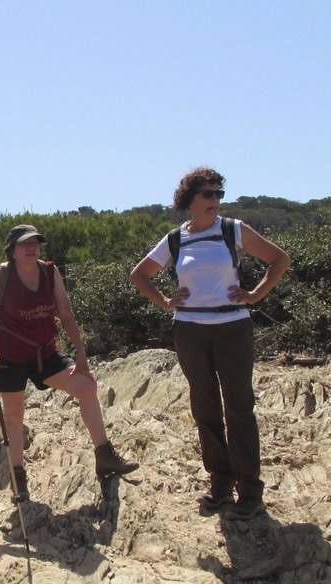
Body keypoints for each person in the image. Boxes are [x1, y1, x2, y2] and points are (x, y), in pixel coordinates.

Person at [130, 168, 291, 520]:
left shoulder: (233, 230)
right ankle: (220, 482)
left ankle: (250, 491)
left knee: (239, 408)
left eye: (219, 193)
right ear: (189, 200)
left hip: (232, 326)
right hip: (189, 329)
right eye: (208, 194)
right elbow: (139, 274)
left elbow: (279, 260)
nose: (215, 200)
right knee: (204, 406)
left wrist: (254, 294)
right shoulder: (176, 239)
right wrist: (165, 301)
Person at [0, 224, 139, 502]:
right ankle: (18, 478)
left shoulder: (50, 272)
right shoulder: (2, 274)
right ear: (12, 251)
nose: (31, 248)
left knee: (86, 386)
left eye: (36, 243)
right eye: (25, 244)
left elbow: (66, 312)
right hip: (9, 357)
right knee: (14, 416)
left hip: (44, 354)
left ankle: (104, 456)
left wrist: (80, 352)